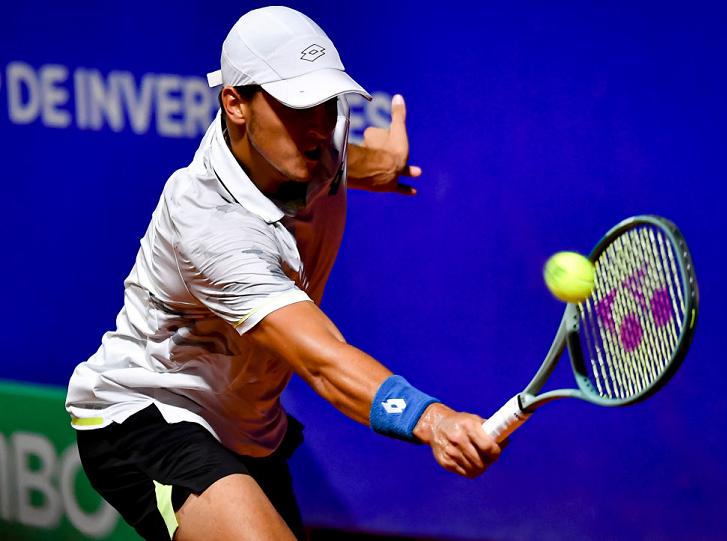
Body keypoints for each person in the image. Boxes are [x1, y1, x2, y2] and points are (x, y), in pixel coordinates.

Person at [66, 6, 502, 541]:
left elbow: (342, 158)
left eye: (327, 104)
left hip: (249, 430)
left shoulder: (310, 143)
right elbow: (322, 361)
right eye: (297, 107)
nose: (319, 126)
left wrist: (383, 166)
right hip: (151, 413)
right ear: (235, 105)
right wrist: (432, 420)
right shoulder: (210, 224)